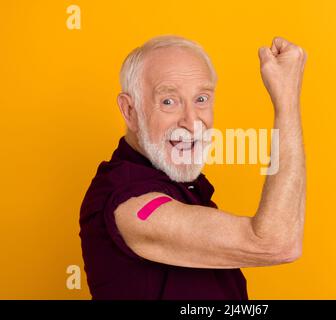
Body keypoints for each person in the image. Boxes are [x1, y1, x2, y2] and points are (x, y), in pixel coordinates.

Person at [79, 35, 307, 299]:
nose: (191, 122)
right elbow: (276, 243)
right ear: (130, 111)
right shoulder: (132, 205)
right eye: (168, 101)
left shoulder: (181, 185)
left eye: (201, 99)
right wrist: (287, 102)